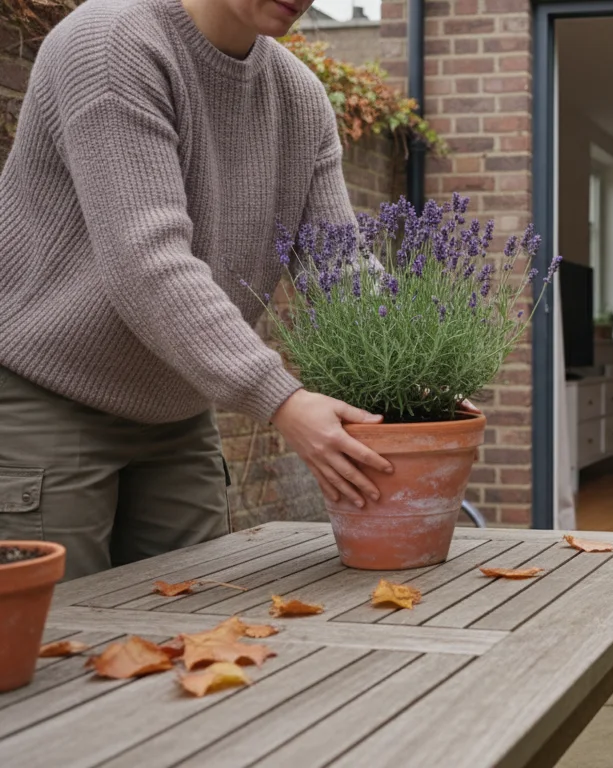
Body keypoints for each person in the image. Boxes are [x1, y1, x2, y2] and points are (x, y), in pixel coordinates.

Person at [0, 0, 393, 581]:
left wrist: (416, 387)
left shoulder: (300, 96)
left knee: (196, 630)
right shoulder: (110, 44)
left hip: (179, 415)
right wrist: (281, 399)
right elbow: (147, 261)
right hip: (52, 397)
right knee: (62, 644)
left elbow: (341, 271)